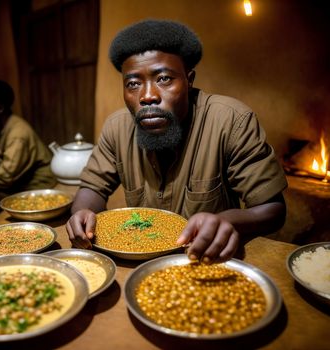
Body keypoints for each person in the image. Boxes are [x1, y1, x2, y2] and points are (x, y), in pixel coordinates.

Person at [66, 19, 288, 263]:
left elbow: (272, 209)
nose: (148, 96)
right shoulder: (117, 126)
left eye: (164, 79)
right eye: (133, 84)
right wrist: (82, 213)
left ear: (189, 79)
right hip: (142, 258)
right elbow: (93, 188)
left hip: (206, 259)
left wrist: (227, 220)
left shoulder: (231, 120)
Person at [0, 79, 56, 230]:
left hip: (35, 188)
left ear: (0, 108)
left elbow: (4, 177)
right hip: (15, 183)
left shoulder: (18, 133)